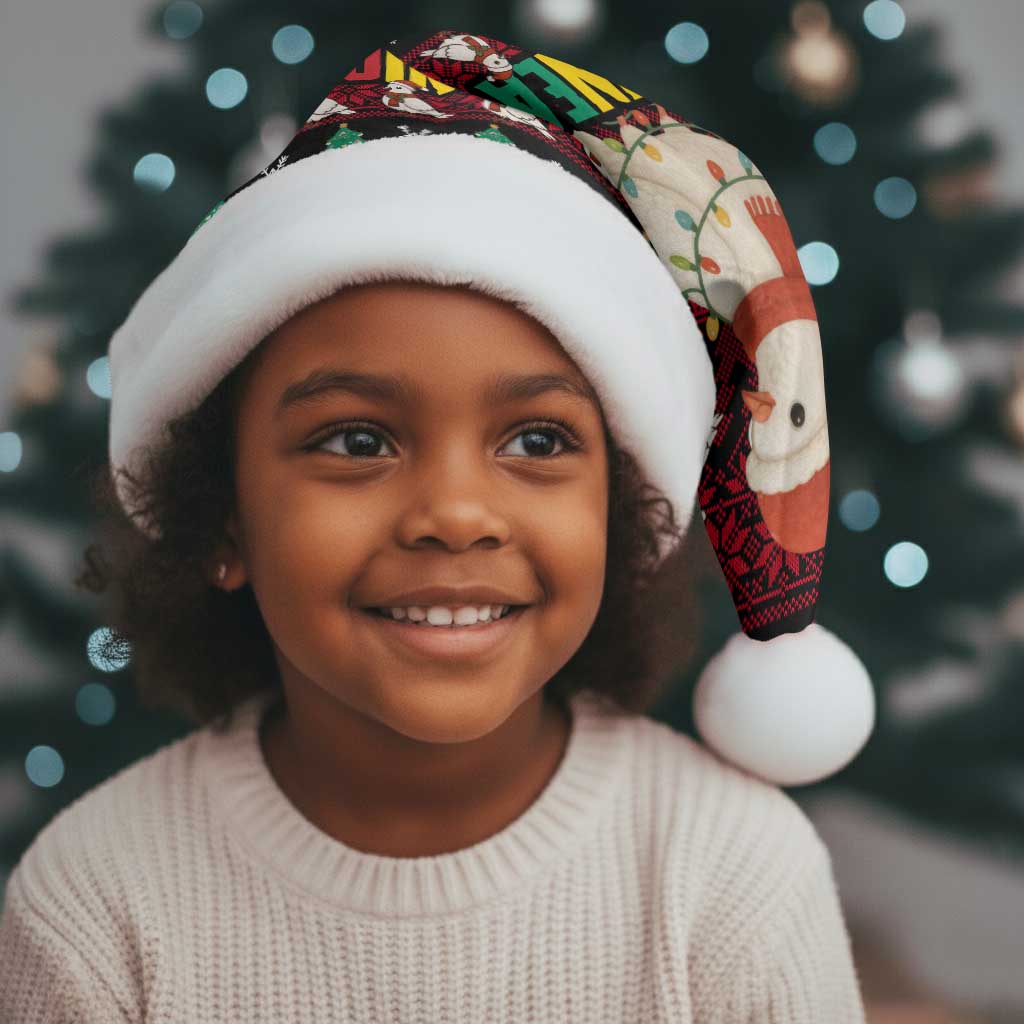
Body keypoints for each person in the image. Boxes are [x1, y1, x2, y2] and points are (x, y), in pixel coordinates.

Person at [0, 28, 873, 1022]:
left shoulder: (730, 873)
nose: (456, 515)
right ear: (220, 519)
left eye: (538, 441)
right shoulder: (97, 898)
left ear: (621, 510)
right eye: (358, 441)